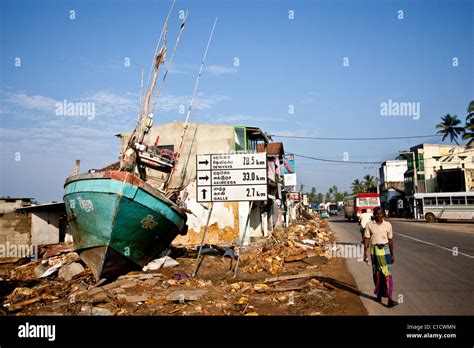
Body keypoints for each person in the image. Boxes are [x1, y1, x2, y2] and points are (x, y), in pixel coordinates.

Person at [363, 206, 397, 308]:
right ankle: (378, 294)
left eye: (381, 213)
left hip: (385, 250)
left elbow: (390, 241)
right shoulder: (369, 225)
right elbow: (367, 239)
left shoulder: (388, 225)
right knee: (376, 274)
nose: (379, 215)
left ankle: (390, 299)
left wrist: (392, 254)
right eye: (377, 213)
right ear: (374, 214)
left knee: (388, 274)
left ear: (384, 214)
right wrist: (365, 251)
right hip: (374, 251)